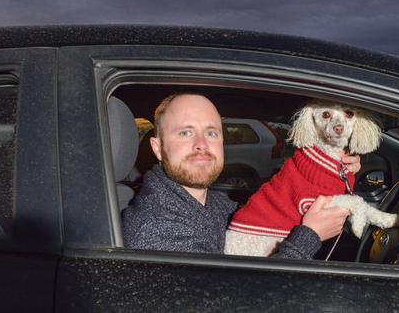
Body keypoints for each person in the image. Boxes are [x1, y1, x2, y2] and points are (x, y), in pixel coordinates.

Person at [122, 93, 360, 259]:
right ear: (157, 148)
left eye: (212, 133)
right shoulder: (156, 231)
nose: (201, 145)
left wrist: (333, 171)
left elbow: (267, 212)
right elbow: (238, 301)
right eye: (185, 133)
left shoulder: (204, 202)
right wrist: (310, 236)